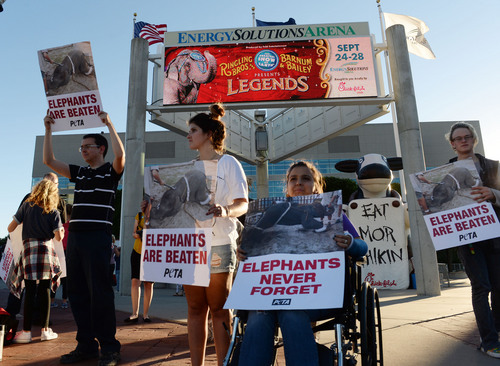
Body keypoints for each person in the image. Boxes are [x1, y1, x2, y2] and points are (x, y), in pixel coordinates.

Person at [237, 161, 368, 366]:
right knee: (258, 315)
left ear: (316, 185)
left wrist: (350, 243)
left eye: (305, 178)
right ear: (287, 187)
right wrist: (245, 252)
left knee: (292, 312)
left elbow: (363, 248)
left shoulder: (336, 215)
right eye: (293, 179)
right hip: (272, 292)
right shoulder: (281, 208)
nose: (298, 183)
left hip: (317, 294)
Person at [43, 110, 125, 366]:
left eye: (87, 147)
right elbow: (49, 160)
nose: (83, 151)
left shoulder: (111, 172)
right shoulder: (80, 173)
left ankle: (110, 348)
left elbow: (121, 155)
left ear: (101, 148)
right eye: (81, 148)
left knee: (100, 293)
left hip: (97, 238)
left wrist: (109, 123)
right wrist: (48, 129)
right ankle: (86, 345)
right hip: (76, 240)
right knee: (77, 294)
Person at [184, 103, 249, 366]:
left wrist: (224, 210)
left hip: (220, 244)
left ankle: (224, 363)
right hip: (191, 246)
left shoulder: (229, 163)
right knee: (194, 309)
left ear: (208, 134)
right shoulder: (187, 168)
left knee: (220, 311)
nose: (188, 135)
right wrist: (153, 206)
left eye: (193, 130)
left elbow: (243, 203)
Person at [445, 122, 500, 359]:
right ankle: (489, 342)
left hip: (495, 234)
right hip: (468, 237)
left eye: (467, 136)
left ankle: (496, 332)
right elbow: (440, 205)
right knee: (481, 288)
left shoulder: (494, 167)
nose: (463, 141)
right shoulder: (443, 173)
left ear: (474, 139)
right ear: (452, 143)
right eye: (458, 138)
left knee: (498, 287)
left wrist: (494, 194)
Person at [8, 179, 64, 344]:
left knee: (30, 289)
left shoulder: (26, 206)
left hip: (28, 250)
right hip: (46, 250)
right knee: (45, 290)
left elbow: (10, 228)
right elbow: (59, 237)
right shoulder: (53, 211)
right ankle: (45, 330)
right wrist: (60, 229)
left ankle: (26, 332)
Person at [124, 207, 154, 323]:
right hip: (137, 251)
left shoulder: (156, 217)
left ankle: (145, 315)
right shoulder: (139, 215)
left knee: (148, 284)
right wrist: (139, 234)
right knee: (135, 281)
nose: (143, 205)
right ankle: (134, 314)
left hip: (151, 253)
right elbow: (134, 233)